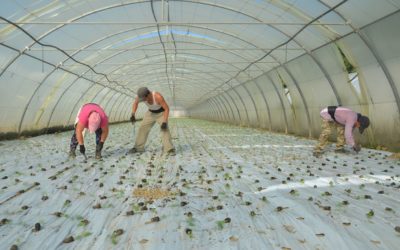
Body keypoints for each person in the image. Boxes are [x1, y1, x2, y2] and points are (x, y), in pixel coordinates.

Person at [129, 87, 175, 155]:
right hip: (150, 113)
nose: (143, 100)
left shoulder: (157, 96)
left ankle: (169, 148)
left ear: (148, 94)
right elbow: (135, 103)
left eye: (144, 99)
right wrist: (133, 114)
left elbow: (166, 109)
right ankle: (138, 148)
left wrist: (164, 122)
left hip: (161, 113)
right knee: (142, 128)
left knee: (164, 129)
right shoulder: (141, 97)